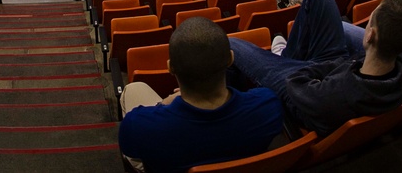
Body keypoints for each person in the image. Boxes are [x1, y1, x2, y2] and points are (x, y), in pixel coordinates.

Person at [229, 0, 402, 137]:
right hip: (339, 69)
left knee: (230, 43)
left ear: (370, 35)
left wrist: (318, 67)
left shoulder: (334, 96)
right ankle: (286, 55)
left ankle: (282, 57)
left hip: (302, 88)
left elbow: (294, 83)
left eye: (371, 20)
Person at [118, 18, 283, 173]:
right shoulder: (268, 106)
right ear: (230, 59)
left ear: (170, 67)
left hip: (163, 145)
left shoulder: (138, 126)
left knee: (133, 89)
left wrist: (164, 104)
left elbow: (128, 145)